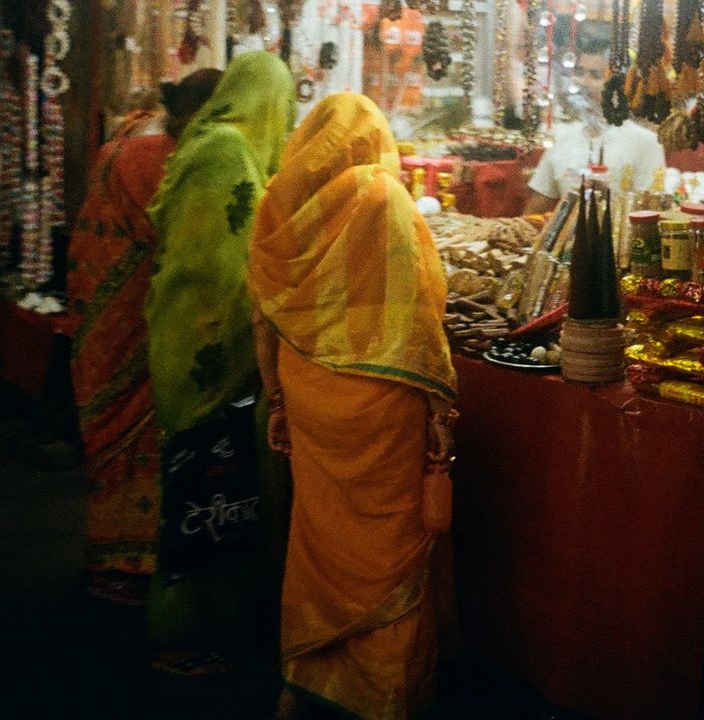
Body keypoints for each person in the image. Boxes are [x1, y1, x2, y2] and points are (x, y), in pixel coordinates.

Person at [247, 92, 458, 720]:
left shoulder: (279, 204)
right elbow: (417, 313)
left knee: (320, 536)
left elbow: (263, 315)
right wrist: (440, 407)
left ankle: (307, 676)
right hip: (381, 403)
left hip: (310, 397)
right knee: (388, 544)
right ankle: (385, 696)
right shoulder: (381, 197)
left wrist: (279, 397)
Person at [144, 50, 296, 674]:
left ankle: (212, 629)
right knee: (204, 492)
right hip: (209, 351)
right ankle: (181, 637)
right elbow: (223, 270)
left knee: (210, 490)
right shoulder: (227, 153)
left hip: (186, 344)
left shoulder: (206, 140)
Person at [67, 68, 223, 606]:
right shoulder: (156, 157)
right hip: (129, 308)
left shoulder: (133, 134)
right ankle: (121, 563)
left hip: (100, 302)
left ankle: (122, 557)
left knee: (117, 428)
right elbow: (176, 234)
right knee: (131, 431)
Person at [525, 36, 665, 213]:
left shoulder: (646, 142)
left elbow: (652, 215)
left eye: (596, 75)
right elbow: (534, 212)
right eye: (580, 72)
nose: (584, 82)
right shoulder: (562, 136)